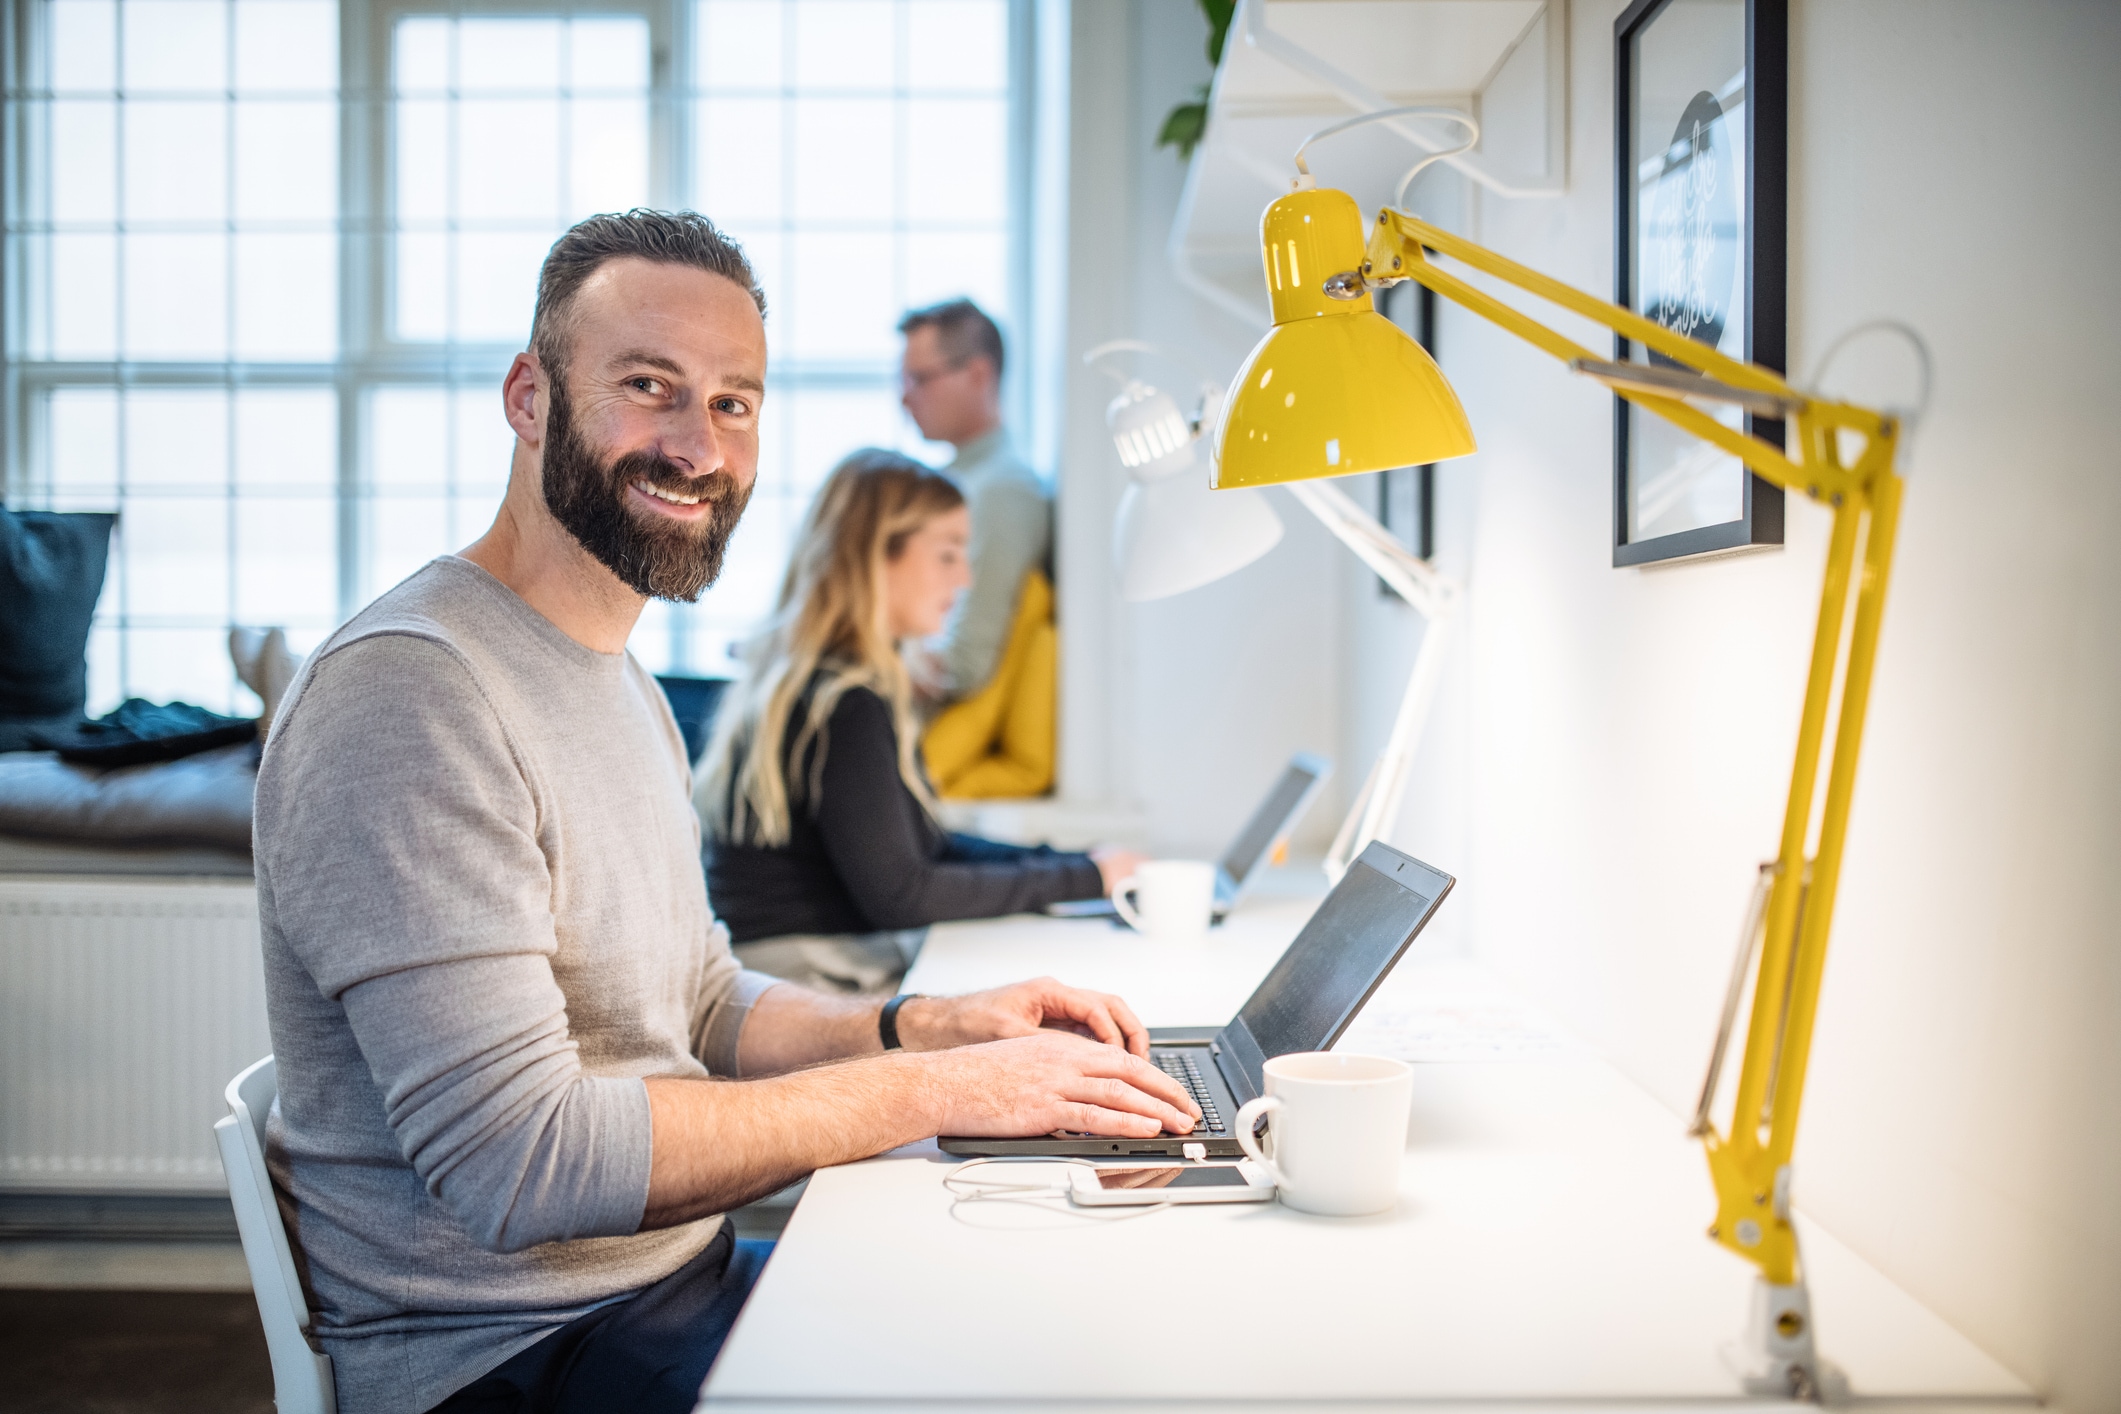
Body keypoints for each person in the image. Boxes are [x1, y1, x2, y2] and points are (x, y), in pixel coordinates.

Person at [251, 210, 1198, 1414]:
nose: (698, 446)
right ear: (530, 397)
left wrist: (932, 1028)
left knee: (1066, 1313)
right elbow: (520, 1166)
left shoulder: (619, 679)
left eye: (734, 404)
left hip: (667, 1290)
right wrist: (939, 1094)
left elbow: (701, 1002)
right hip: (516, 1356)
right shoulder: (409, 695)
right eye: (650, 387)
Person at [697, 448, 1143, 993]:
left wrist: (1079, 867)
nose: (964, 578)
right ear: (877, 557)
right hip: (808, 982)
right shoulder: (843, 702)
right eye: (948, 554)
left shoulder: (824, 681)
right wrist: (1084, 877)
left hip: (795, 969)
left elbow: (924, 845)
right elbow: (903, 893)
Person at [897, 300, 1060, 797]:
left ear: (978, 374)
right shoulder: (956, 484)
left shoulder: (1000, 493)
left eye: (919, 379)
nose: (905, 398)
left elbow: (962, 664)